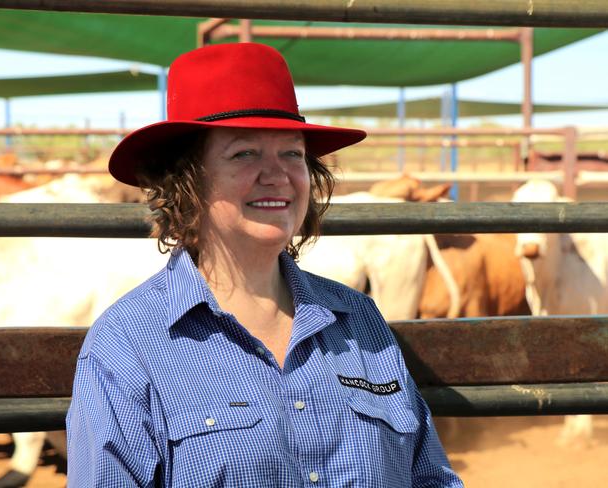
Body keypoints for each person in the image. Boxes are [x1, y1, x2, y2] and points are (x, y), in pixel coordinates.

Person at [66, 42, 463, 487]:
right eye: (244, 153)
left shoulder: (358, 320)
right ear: (186, 181)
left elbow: (431, 477)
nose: (277, 174)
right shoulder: (128, 346)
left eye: (292, 154)